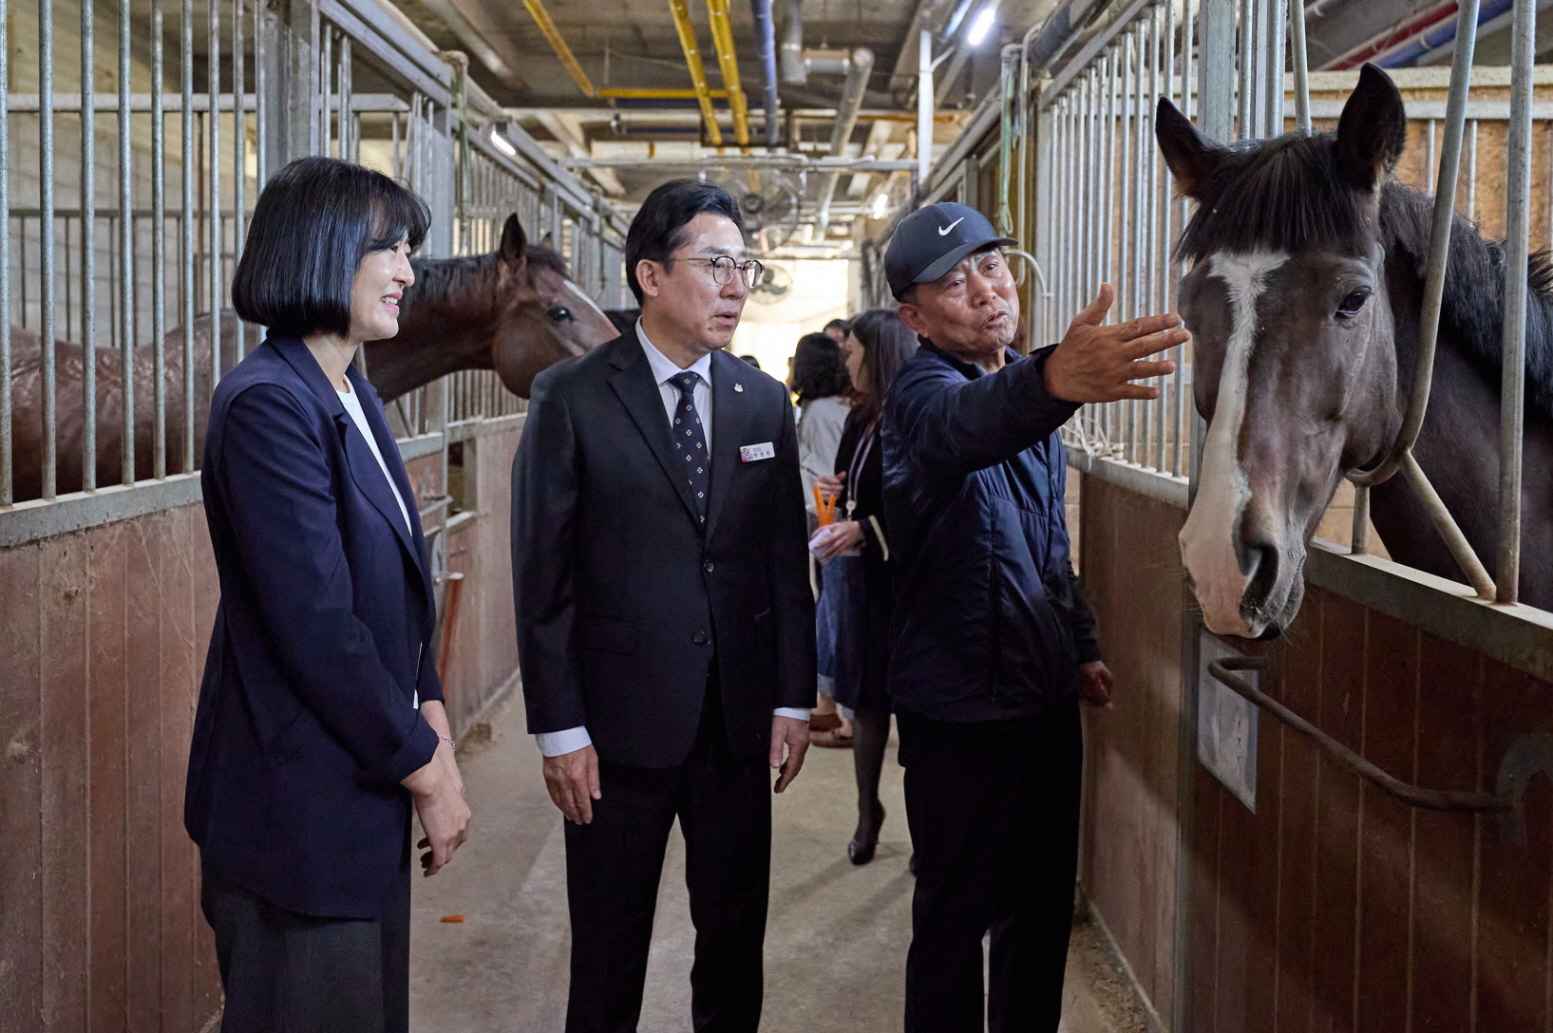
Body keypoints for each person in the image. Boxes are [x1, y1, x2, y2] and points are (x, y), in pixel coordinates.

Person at [511, 178, 816, 1033]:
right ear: (650, 275)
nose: (736, 284)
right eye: (715, 264)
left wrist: (793, 694)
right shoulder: (570, 397)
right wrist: (559, 728)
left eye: (743, 265)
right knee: (608, 953)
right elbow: (543, 578)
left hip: (733, 722)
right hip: (613, 732)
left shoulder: (761, 400)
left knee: (731, 946)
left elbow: (782, 565)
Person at [880, 201, 1188, 1032]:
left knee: (1039, 908)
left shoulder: (1019, 392)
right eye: (953, 282)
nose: (986, 291)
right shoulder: (920, 399)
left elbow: (1047, 543)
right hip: (956, 709)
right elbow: (963, 428)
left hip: (1040, 696)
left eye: (991, 265)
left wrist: (1078, 643)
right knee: (952, 916)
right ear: (913, 317)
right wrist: (1051, 378)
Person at [184, 156, 472, 1033]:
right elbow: (317, 624)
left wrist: (431, 714)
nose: (407, 272)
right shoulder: (268, 404)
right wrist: (425, 770)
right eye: (388, 246)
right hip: (295, 807)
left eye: (409, 249)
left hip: (357, 786)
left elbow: (396, 588)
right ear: (319, 247)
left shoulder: (349, 391)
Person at [810, 309, 918, 864]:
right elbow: (855, 482)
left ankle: (927, 831)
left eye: (852, 352)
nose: (845, 362)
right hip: (864, 579)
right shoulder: (861, 416)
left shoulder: (915, 415)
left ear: (878, 355)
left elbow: (926, 499)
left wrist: (867, 527)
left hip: (912, 582)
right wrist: (837, 488)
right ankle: (865, 810)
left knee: (919, 711)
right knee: (868, 701)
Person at [792, 330, 854, 746]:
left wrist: (825, 526)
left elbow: (827, 473)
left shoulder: (820, 413)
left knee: (833, 612)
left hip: (827, 519)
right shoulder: (832, 408)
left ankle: (837, 707)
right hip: (830, 518)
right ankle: (829, 702)